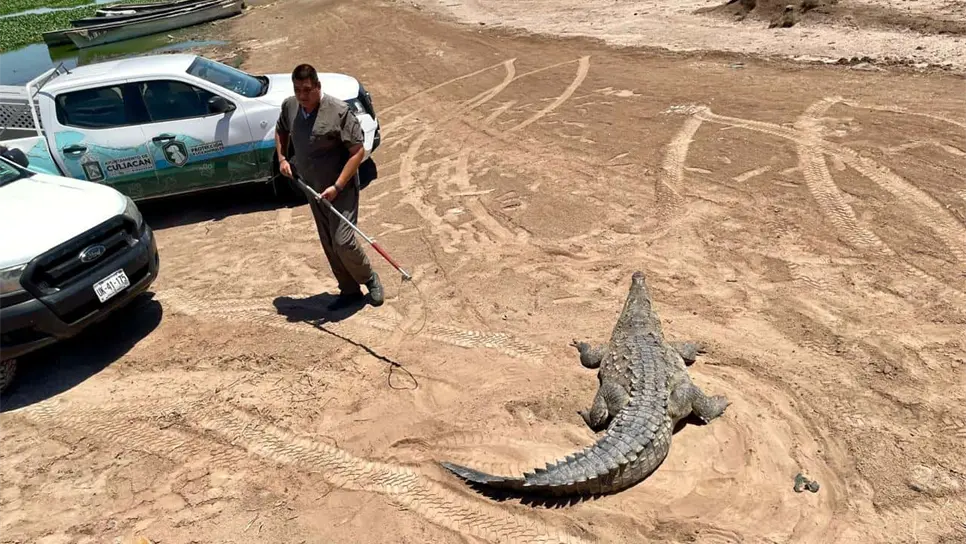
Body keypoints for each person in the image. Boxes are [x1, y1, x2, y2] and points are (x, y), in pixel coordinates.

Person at [275, 63, 384, 310]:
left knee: (343, 240)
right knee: (328, 241)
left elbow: (357, 152)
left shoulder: (338, 112)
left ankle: (369, 279)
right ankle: (348, 290)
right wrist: (282, 159)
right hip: (312, 188)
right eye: (297, 90)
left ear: (317, 87)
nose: (302, 96)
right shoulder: (290, 106)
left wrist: (337, 185)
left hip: (341, 188)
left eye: (306, 90)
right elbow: (281, 130)